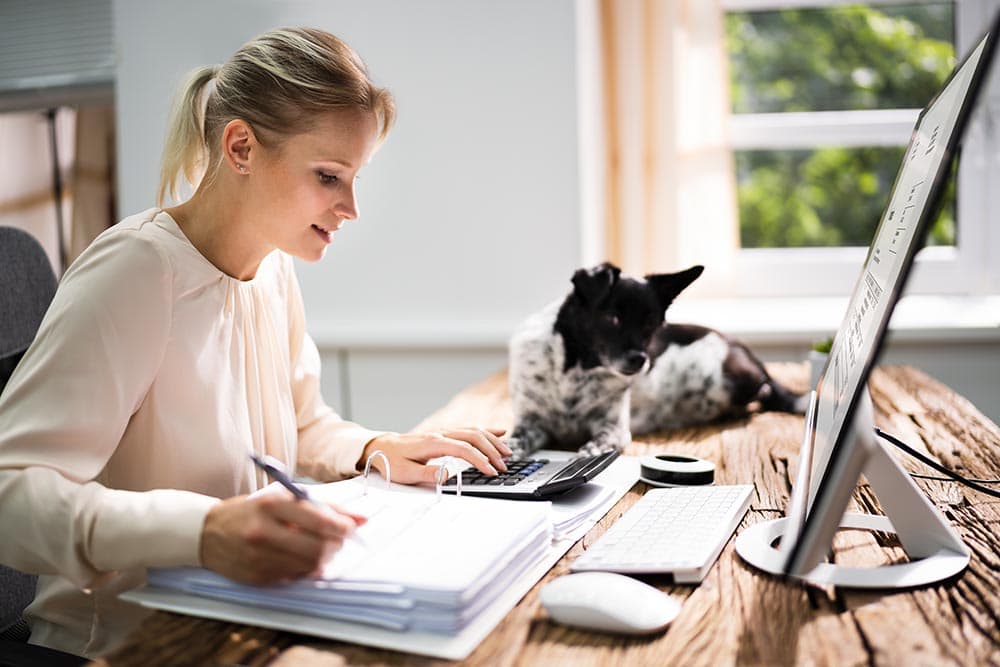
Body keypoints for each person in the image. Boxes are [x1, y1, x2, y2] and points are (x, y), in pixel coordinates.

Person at [0, 27, 510, 659]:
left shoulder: (271, 267)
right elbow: (10, 494)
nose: (350, 207)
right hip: (121, 647)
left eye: (354, 178)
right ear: (240, 146)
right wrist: (204, 532)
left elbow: (300, 425)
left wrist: (375, 447)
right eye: (328, 176)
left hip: (237, 621)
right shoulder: (135, 273)